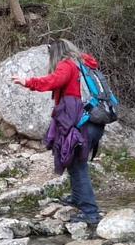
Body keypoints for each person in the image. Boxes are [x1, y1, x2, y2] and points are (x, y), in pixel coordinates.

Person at [13, 39, 104, 225]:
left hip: (82, 121)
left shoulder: (67, 65)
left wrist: (28, 82)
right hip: (94, 120)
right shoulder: (83, 63)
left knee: (78, 164)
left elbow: (54, 81)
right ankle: (77, 198)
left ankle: (90, 212)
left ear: (55, 53)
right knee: (73, 159)